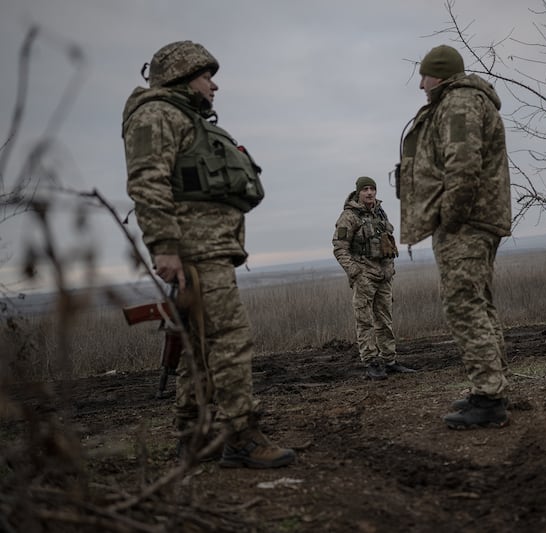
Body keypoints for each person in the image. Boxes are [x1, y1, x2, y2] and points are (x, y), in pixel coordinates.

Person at [122, 40, 296, 467]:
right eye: (206, 76)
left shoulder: (183, 118)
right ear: (183, 76)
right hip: (194, 251)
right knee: (230, 341)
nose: (214, 86)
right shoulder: (156, 114)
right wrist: (165, 247)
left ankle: (194, 437)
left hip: (209, 250)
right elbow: (148, 182)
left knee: (199, 348)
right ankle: (241, 436)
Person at [396, 45, 512, 429]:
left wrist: (451, 219)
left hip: (467, 222)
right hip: (478, 219)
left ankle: (489, 397)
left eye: (424, 76)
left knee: (462, 303)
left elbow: (463, 163)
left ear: (440, 75)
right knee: (477, 300)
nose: (420, 85)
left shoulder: (460, 103)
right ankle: (489, 389)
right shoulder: (462, 101)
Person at [332, 176, 415, 380]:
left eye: (372, 189)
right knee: (365, 320)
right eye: (365, 189)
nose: (369, 193)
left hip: (384, 275)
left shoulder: (380, 214)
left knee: (385, 319)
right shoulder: (349, 216)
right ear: (358, 192)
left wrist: (389, 268)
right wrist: (355, 272)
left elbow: (389, 244)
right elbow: (339, 247)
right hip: (364, 275)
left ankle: (389, 360)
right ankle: (371, 362)